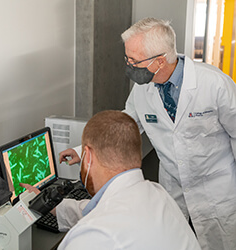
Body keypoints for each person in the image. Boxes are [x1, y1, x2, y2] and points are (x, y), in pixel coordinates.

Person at [60, 18, 236, 250]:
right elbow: (124, 124)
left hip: (217, 193)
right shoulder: (143, 90)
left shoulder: (214, 84)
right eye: (127, 59)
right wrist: (83, 151)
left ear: (160, 61)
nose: (129, 66)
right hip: (173, 192)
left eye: (134, 60)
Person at [23, 110, 200, 249]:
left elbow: (102, 221)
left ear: (89, 156)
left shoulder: (93, 236)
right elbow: (98, 210)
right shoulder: (158, 194)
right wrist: (51, 204)